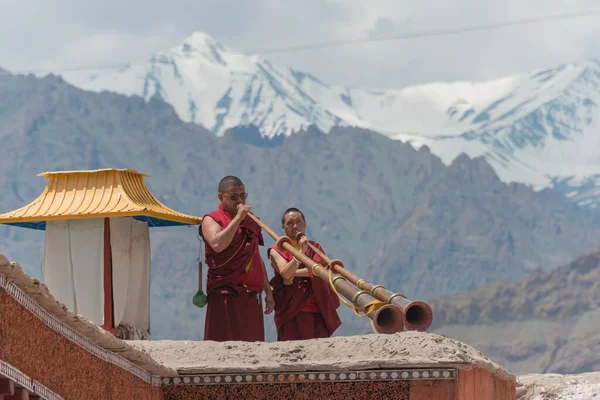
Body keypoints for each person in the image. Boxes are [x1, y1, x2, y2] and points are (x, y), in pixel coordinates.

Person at [200, 176, 275, 342]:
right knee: (223, 346)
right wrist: (237, 220)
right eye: (234, 197)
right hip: (225, 294)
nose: (240, 201)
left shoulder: (249, 221)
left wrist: (268, 291)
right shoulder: (212, 219)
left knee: (253, 348)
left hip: (251, 297)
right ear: (221, 197)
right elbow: (217, 244)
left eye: (243, 196)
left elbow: (254, 256)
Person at [267, 207, 341, 341]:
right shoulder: (276, 250)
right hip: (292, 311)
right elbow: (285, 273)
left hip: (317, 307)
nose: (295, 226)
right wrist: (301, 252)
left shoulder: (315, 247)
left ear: (305, 224)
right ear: (283, 228)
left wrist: (293, 274)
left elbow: (322, 271)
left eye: (299, 221)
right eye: (290, 223)